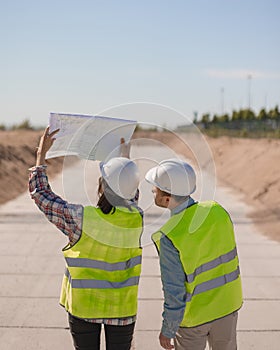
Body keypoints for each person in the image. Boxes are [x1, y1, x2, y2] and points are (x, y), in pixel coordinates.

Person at [29, 127, 143, 350]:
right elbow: (129, 195)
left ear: (102, 186)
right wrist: (124, 162)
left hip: (85, 307)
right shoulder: (136, 218)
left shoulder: (80, 219)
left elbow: (42, 196)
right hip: (122, 308)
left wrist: (40, 157)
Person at [145, 158, 243, 350]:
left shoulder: (169, 236)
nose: (153, 191)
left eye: (155, 189)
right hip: (227, 308)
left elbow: (175, 292)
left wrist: (168, 328)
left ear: (167, 199)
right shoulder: (217, 211)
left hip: (194, 319)